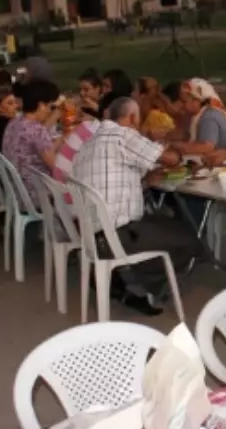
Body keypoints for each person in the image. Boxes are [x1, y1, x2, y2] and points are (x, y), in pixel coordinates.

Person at [70, 97, 199, 316]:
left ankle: (126, 279)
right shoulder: (123, 135)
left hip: (92, 237)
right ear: (131, 117)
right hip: (118, 238)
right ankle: (140, 282)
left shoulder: (87, 146)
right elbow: (169, 159)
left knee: (161, 223)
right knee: (189, 239)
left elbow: (111, 182)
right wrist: (177, 150)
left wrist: (146, 181)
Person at [2, 80, 63, 202]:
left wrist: (62, 139)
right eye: (50, 106)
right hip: (34, 194)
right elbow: (57, 168)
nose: (50, 111)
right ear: (41, 105)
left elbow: (40, 148)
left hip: (14, 190)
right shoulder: (37, 130)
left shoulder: (14, 122)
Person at [180, 78, 226, 150]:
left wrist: (176, 146)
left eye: (184, 102)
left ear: (197, 100)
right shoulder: (201, 115)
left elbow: (206, 147)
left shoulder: (208, 117)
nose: (181, 105)